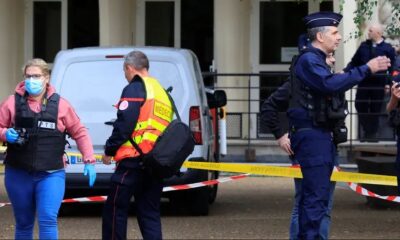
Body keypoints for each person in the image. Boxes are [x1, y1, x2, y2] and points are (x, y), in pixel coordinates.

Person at [288, 11, 391, 239]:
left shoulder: (316, 60)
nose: (339, 37)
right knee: (314, 202)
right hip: (312, 138)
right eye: (334, 32)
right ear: (320, 37)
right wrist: (366, 69)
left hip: (322, 137)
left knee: (317, 200)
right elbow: (328, 84)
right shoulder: (309, 60)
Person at [0, 58, 96, 240]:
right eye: (28, 76)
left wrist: (89, 160)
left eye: (36, 76)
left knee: (48, 220)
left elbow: (80, 131)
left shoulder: (61, 105)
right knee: (23, 223)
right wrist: (5, 133)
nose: (31, 80)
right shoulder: (11, 103)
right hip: (18, 173)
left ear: (46, 78)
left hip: (51, 174)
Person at [261, 51, 337, 240]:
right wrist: (280, 136)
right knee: (303, 201)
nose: (333, 60)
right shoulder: (296, 85)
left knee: (325, 204)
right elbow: (268, 107)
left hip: (328, 148)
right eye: (329, 56)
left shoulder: (328, 84)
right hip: (306, 149)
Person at [102, 50, 173, 240]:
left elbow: (124, 124)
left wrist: (109, 149)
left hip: (132, 160)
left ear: (129, 67)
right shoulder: (161, 92)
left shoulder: (135, 88)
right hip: (154, 163)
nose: (125, 76)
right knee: (149, 213)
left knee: (115, 209)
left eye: (124, 71)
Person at [344, 23, 396, 141]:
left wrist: (388, 83)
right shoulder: (363, 46)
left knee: (375, 108)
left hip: (379, 83)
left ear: (378, 33)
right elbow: (354, 62)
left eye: (371, 31)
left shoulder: (387, 48)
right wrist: (345, 71)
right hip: (364, 81)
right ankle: (368, 130)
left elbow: (392, 68)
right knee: (359, 104)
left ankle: (372, 134)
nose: (368, 32)